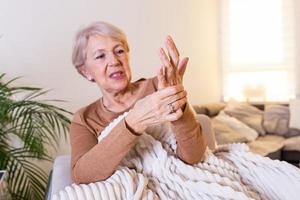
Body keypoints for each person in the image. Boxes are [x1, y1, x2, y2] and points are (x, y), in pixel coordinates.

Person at [70, 21, 207, 184]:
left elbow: (194, 157)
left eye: (119, 51)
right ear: (86, 71)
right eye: (100, 56)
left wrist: (178, 104)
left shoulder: (161, 86)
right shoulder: (84, 119)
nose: (114, 61)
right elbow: (83, 176)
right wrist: (135, 121)